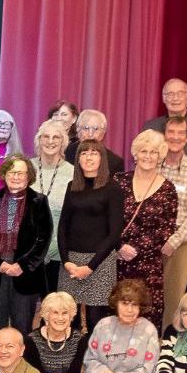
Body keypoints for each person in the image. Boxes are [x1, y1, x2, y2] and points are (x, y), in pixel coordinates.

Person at [0, 156, 53, 335]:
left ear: (28, 176)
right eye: (11, 172)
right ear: (4, 174)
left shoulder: (39, 201)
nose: (16, 177)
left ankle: (22, 355)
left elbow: (43, 238)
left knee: (22, 325)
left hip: (25, 273)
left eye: (20, 173)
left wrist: (23, 265)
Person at [57, 140, 126, 326]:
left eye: (94, 153)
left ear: (102, 158)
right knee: (68, 320)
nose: (88, 157)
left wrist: (90, 267)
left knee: (97, 321)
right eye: (84, 153)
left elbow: (114, 233)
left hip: (100, 263)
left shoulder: (113, 188)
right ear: (78, 159)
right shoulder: (72, 186)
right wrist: (66, 261)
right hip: (71, 264)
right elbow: (62, 227)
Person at [115, 130, 180, 318]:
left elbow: (167, 228)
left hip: (149, 264)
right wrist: (119, 246)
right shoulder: (118, 181)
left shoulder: (168, 189)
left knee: (147, 312)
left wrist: (136, 249)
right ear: (135, 154)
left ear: (160, 156)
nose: (148, 156)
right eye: (144, 151)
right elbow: (107, 219)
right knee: (118, 310)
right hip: (117, 260)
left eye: (154, 152)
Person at [150, 117, 187, 325]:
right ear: (164, 135)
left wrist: (173, 241)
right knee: (147, 294)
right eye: (171, 132)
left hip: (181, 242)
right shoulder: (153, 166)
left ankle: (167, 338)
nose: (175, 137)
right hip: (151, 239)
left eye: (180, 133)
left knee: (173, 298)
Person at [24, 292, 91, 373]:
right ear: (46, 315)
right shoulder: (31, 339)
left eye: (65, 313)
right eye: (55, 313)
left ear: (71, 316)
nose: (60, 318)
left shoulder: (79, 339)